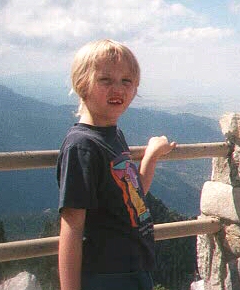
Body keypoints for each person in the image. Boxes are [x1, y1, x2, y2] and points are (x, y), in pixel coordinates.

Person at [57, 39, 176, 290]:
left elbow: (132, 193)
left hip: (135, 268)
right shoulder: (82, 146)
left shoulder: (113, 135)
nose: (118, 89)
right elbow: (72, 227)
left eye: (126, 81)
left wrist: (151, 156)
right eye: (105, 80)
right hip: (107, 275)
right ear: (82, 85)